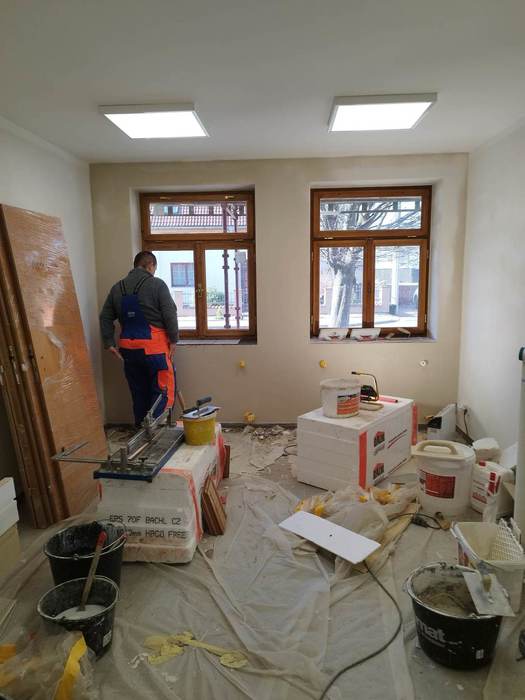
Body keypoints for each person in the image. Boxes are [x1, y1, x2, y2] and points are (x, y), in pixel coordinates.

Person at [99, 251, 179, 426]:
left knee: (139, 392)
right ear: (150, 266)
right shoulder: (157, 284)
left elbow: (105, 316)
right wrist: (174, 340)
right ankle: (156, 431)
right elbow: (170, 314)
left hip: (128, 351)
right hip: (155, 351)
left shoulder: (117, 288)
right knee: (162, 391)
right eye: (154, 268)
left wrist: (109, 342)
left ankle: (140, 432)